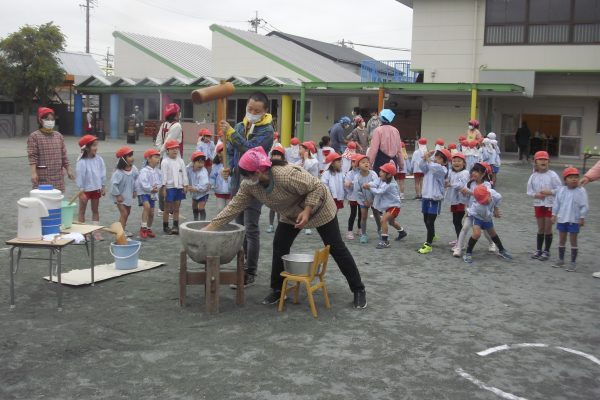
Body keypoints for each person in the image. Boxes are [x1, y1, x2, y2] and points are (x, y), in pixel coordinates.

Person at [203, 147, 367, 309]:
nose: (246, 179)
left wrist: (307, 210)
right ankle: (277, 289)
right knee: (280, 245)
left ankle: (358, 289)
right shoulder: (249, 185)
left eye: (248, 175)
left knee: (336, 247)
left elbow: (316, 186)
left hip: (319, 207)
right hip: (290, 213)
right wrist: (210, 228)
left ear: (260, 170)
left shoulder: (286, 175)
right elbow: (234, 207)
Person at [219, 92, 274, 287]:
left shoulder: (267, 131)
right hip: (237, 183)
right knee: (239, 228)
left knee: (251, 228)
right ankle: (240, 267)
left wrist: (232, 134)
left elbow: (251, 149)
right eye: (249, 109)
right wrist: (228, 169)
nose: (252, 113)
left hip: (254, 184)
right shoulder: (241, 126)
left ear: (265, 111)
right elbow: (233, 152)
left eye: (257, 111)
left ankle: (250, 272)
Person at [27, 107, 75, 193]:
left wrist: (69, 169)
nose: (50, 121)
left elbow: (64, 155)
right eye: (47, 119)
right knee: (43, 200)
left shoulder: (58, 136)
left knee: (56, 202)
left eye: (52, 119)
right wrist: (33, 173)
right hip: (43, 176)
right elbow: (32, 156)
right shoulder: (34, 136)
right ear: (40, 120)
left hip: (57, 176)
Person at [455, 162, 497, 257]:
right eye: (473, 170)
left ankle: (492, 243)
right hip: (471, 212)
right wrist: (463, 193)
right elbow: (466, 199)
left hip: (483, 213)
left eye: (477, 171)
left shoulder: (486, 184)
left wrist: (469, 192)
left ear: (483, 174)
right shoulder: (470, 183)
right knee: (465, 228)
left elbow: (483, 196)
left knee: (486, 231)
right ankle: (458, 248)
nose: (474, 173)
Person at [526, 151, 562, 261]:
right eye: (540, 159)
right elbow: (529, 191)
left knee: (548, 228)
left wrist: (550, 192)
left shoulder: (553, 175)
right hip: (538, 204)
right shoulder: (533, 176)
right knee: (540, 228)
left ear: (548, 161)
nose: (543, 161)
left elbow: (560, 189)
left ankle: (546, 251)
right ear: (535, 162)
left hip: (550, 204)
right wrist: (536, 194)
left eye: (545, 159)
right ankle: (538, 250)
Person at [463, 185, 512, 264]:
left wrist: (496, 208)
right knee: (477, 234)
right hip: (477, 216)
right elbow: (486, 213)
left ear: (488, 194)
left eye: (486, 199)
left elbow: (499, 199)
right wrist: (495, 214)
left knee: (493, 233)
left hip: (487, 217)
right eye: (482, 201)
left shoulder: (494, 194)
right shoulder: (478, 207)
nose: (485, 202)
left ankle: (501, 250)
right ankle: (468, 253)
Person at [551, 167, 588, 272]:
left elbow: (584, 205)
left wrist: (582, 217)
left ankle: (573, 262)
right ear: (565, 180)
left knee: (573, 241)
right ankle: (561, 260)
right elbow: (557, 203)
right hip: (562, 219)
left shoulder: (581, 191)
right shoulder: (561, 190)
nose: (574, 179)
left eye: (576, 177)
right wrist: (554, 214)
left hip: (574, 220)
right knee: (562, 239)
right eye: (571, 177)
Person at [364, 161, 406, 249]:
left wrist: (369, 188)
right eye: (380, 171)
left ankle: (385, 241)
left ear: (389, 175)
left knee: (383, 220)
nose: (380, 172)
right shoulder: (381, 179)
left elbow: (379, 192)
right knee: (391, 222)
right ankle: (402, 232)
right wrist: (369, 184)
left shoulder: (391, 184)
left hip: (395, 206)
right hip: (389, 206)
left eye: (382, 171)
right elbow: (375, 183)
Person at [417, 149, 450, 254]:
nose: (436, 159)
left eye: (440, 158)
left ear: (445, 162)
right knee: (425, 219)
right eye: (436, 156)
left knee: (430, 221)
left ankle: (428, 244)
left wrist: (428, 159)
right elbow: (422, 166)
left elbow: (435, 168)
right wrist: (425, 157)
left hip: (434, 198)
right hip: (426, 196)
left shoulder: (442, 169)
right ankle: (432, 235)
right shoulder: (431, 166)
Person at [75, 134, 106, 241]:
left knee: (95, 210)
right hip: (85, 190)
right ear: (86, 148)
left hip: (96, 188)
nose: (96, 148)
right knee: (82, 211)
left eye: (96, 145)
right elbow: (80, 177)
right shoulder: (81, 162)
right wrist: (81, 191)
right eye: (93, 145)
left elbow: (102, 173)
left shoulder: (99, 159)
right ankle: (82, 233)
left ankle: (96, 231)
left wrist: (103, 185)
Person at [161, 139, 189, 234]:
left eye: (176, 148)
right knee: (167, 208)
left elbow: (184, 174)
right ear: (167, 150)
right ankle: (165, 226)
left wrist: (185, 185)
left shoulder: (181, 161)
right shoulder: (165, 162)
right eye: (172, 148)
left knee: (177, 208)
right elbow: (163, 175)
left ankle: (175, 226)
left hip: (179, 187)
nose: (175, 150)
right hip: (169, 187)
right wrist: (164, 187)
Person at [110, 146, 138, 237]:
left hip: (128, 195)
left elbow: (135, 180)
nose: (132, 158)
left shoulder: (133, 170)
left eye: (132, 155)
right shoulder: (118, 173)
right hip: (119, 197)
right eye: (129, 156)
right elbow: (113, 185)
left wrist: (134, 190)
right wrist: (117, 195)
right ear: (122, 159)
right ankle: (121, 233)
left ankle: (121, 228)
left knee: (127, 213)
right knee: (124, 213)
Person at [367, 109, 404, 175]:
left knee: (379, 183)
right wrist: (401, 165)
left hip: (381, 160)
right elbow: (399, 151)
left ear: (381, 118)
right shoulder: (396, 130)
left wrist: (369, 163)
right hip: (393, 161)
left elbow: (373, 149)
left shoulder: (378, 130)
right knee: (391, 183)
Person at [353, 154, 380, 244]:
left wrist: (374, 199)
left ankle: (380, 230)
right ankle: (364, 234)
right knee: (363, 216)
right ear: (358, 165)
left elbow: (377, 185)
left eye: (367, 162)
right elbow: (357, 191)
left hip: (374, 199)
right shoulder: (357, 177)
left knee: (376, 214)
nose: (366, 164)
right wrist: (364, 201)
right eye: (363, 162)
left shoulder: (373, 174)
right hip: (363, 200)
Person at [445, 152, 469, 250]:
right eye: (454, 161)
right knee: (455, 221)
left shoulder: (465, 172)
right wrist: (446, 182)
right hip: (454, 200)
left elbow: (461, 184)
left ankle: (460, 243)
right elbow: (447, 180)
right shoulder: (451, 171)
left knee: (457, 221)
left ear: (464, 163)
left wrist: (450, 184)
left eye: (459, 161)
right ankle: (459, 239)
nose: (456, 163)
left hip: (461, 200)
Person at [136, 149, 162, 239]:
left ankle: (148, 228)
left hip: (153, 194)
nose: (158, 159)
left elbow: (160, 181)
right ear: (148, 159)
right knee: (146, 207)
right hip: (144, 192)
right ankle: (143, 228)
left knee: (151, 213)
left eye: (159, 157)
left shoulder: (158, 171)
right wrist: (151, 189)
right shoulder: (144, 171)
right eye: (155, 157)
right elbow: (143, 183)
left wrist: (157, 187)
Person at [266, 145, 286, 234]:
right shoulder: (269, 165)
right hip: (272, 190)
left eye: (278, 155)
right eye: (274, 155)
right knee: (272, 209)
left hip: (281, 190)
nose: (276, 157)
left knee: (280, 210)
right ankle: (271, 225)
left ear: (282, 156)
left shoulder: (285, 165)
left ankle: (279, 225)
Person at [187, 151, 210, 221]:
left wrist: (195, 188)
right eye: (199, 162)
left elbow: (204, 186)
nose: (201, 165)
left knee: (201, 208)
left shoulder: (203, 172)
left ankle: (202, 221)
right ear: (193, 162)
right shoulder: (189, 168)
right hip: (194, 192)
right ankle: (195, 219)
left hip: (203, 193)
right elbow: (184, 175)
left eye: (203, 163)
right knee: (194, 205)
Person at [209, 143, 232, 213]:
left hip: (230, 190)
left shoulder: (231, 164)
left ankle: (228, 222)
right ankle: (221, 222)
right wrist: (212, 184)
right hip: (220, 190)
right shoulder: (216, 166)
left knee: (229, 210)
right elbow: (212, 176)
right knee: (220, 209)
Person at [344, 154, 362, 240]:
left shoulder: (363, 172)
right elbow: (347, 185)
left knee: (361, 214)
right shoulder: (349, 173)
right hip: (353, 197)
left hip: (362, 197)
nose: (354, 164)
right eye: (353, 162)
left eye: (356, 162)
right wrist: (349, 185)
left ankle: (360, 228)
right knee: (353, 214)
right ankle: (350, 231)